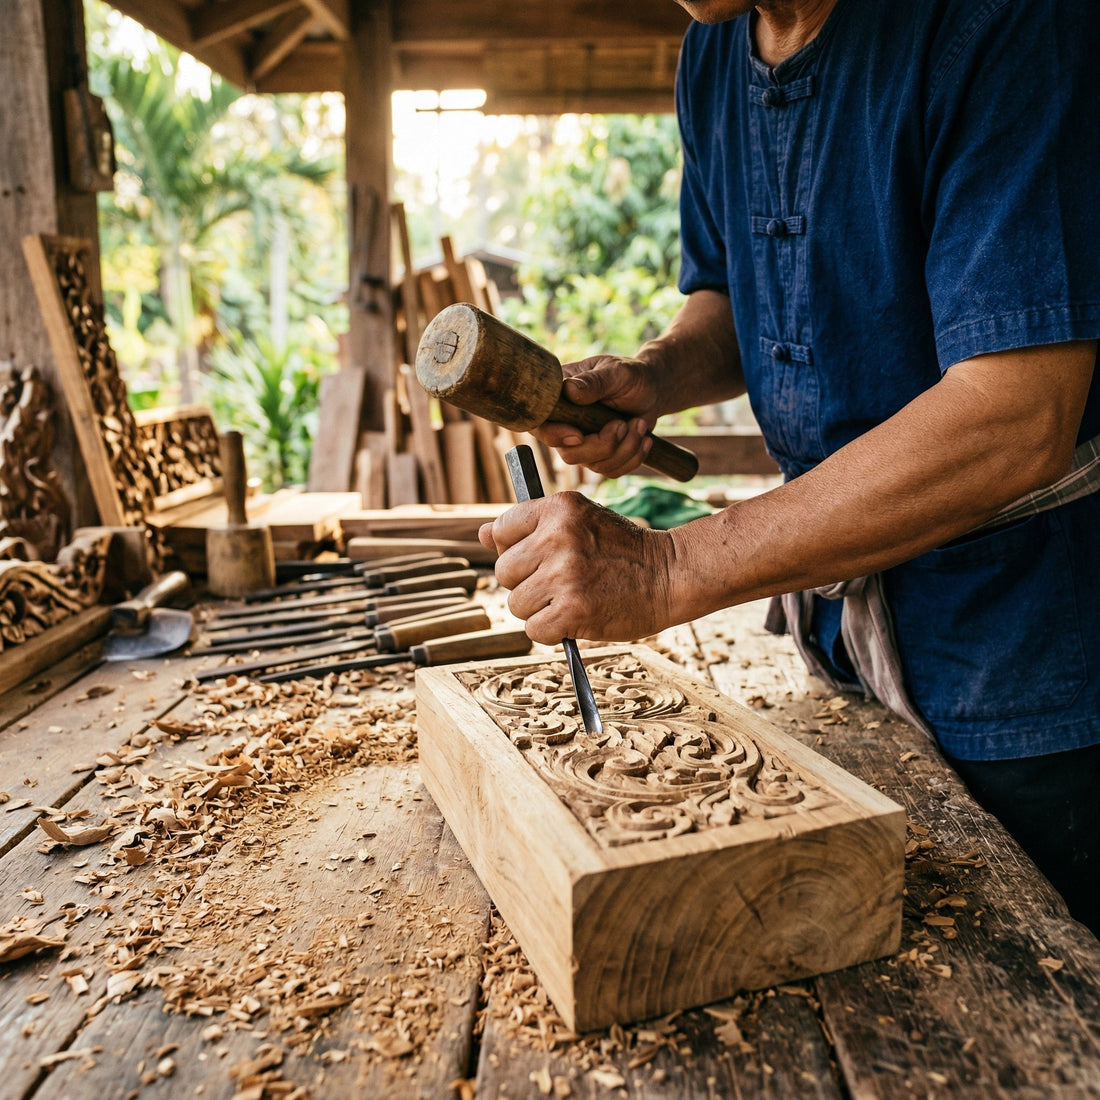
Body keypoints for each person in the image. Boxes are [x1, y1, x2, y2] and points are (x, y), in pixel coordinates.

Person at [479, 0, 1100, 932]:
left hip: (1026, 658)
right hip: (841, 643)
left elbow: (1017, 414)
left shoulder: (1006, 22)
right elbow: (739, 299)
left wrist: (667, 567)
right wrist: (658, 374)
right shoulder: (714, 49)